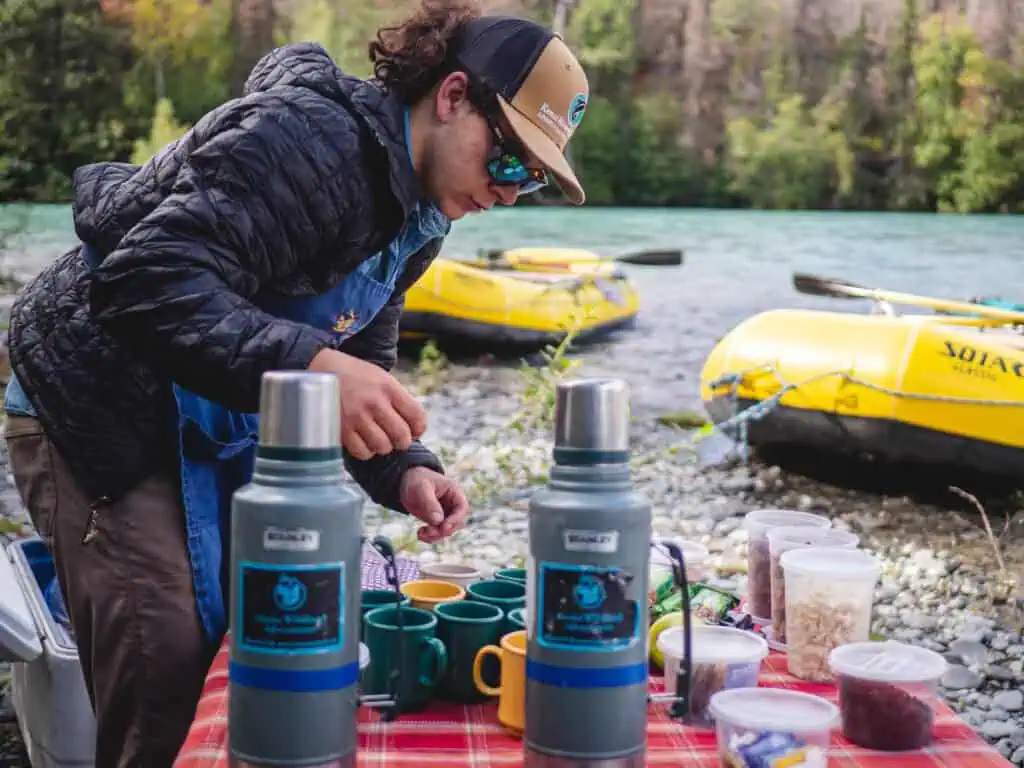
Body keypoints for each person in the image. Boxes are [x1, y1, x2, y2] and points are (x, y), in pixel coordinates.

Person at [2, 0, 590, 764]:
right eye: (509, 158)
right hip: (98, 402)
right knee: (171, 666)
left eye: (534, 178)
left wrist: (401, 467)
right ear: (451, 96)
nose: (510, 191)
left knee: (257, 639)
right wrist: (312, 366)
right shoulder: (305, 139)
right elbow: (143, 280)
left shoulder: (422, 221)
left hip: (215, 411)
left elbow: (360, 363)